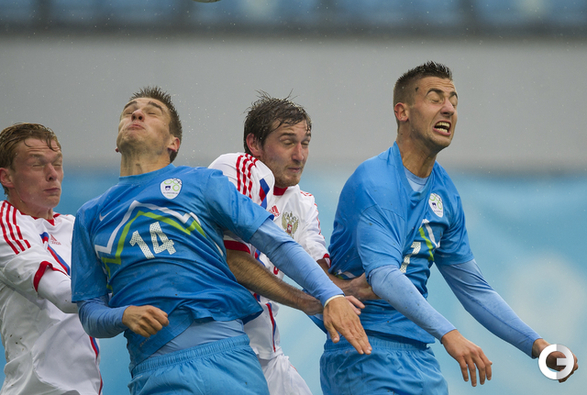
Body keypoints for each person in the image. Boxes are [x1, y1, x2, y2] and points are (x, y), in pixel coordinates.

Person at [70, 86, 371, 395]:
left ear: (173, 142)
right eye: (129, 111)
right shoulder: (90, 216)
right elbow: (89, 310)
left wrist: (330, 296)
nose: (136, 113)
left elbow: (274, 241)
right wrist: (121, 315)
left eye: (151, 112)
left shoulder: (202, 182)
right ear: (116, 142)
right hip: (155, 369)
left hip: (230, 356)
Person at [320, 62, 579, 394]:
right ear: (402, 112)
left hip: (419, 357)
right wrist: (449, 334)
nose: (449, 108)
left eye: (454, 101)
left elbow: (474, 289)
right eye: (435, 98)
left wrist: (537, 345)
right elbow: (383, 276)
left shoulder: (446, 193)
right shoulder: (375, 181)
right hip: (362, 352)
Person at [209, 92, 377, 394]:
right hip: (219, 345)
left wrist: (351, 289)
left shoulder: (304, 203)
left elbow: (317, 275)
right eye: (288, 142)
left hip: (266, 351)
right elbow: (233, 261)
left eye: (305, 143)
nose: (299, 155)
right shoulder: (238, 168)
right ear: (254, 144)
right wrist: (309, 302)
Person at [0, 123, 102, 395]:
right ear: (6, 177)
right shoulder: (4, 226)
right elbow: (66, 296)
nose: (52, 174)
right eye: (37, 164)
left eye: (57, 163)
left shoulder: (73, 226)